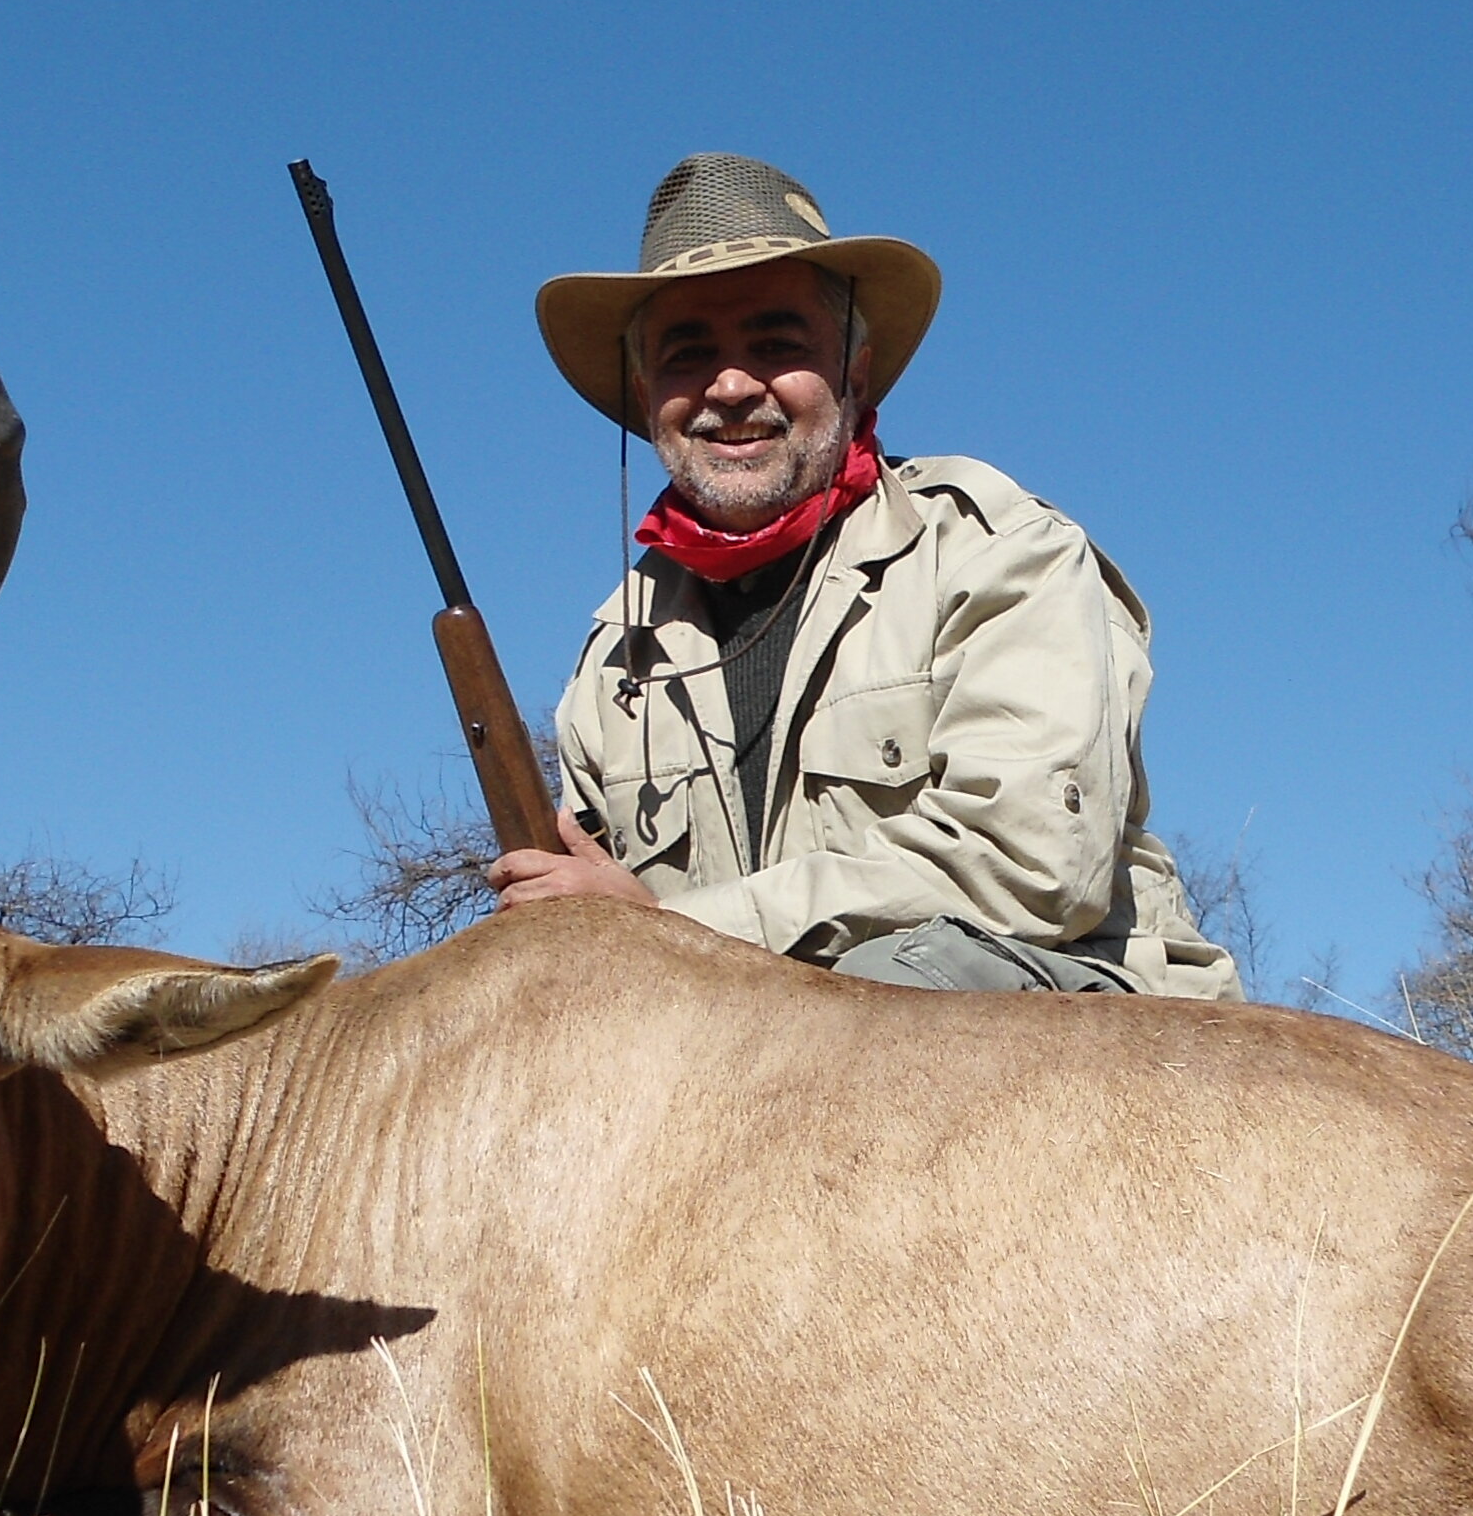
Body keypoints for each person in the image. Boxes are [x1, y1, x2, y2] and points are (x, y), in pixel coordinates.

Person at [489, 154, 1238, 1000]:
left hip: (1076, 1033)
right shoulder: (615, 661)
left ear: (856, 371)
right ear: (644, 390)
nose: (731, 385)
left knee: (890, 992)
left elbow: (1029, 869)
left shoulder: (997, 548)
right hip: (744, 1055)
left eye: (777, 343)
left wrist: (672, 934)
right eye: (687, 354)